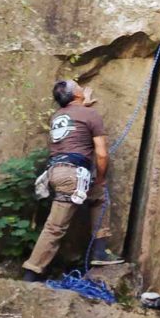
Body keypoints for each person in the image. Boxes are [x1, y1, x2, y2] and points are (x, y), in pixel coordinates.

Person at [22, 79, 125, 282]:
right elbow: (101, 154)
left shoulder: (58, 115)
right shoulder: (90, 115)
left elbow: (75, 119)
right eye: (79, 86)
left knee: (99, 197)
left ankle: (100, 252)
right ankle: (31, 272)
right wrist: (101, 177)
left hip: (56, 172)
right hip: (73, 175)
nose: (82, 88)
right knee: (55, 227)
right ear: (77, 95)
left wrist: (83, 105)